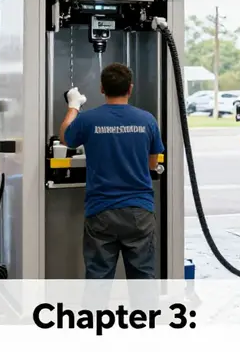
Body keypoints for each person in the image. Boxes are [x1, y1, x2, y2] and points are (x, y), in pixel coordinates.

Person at [60, 63, 164, 280]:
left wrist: (74, 105)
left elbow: (65, 137)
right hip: (139, 211)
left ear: (101, 89)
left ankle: (96, 315)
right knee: (143, 278)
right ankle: (145, 315)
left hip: (101, 211)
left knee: (98, 279)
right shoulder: (147, 120)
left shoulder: (89, 120)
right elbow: (152, 165)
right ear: (131, 88)